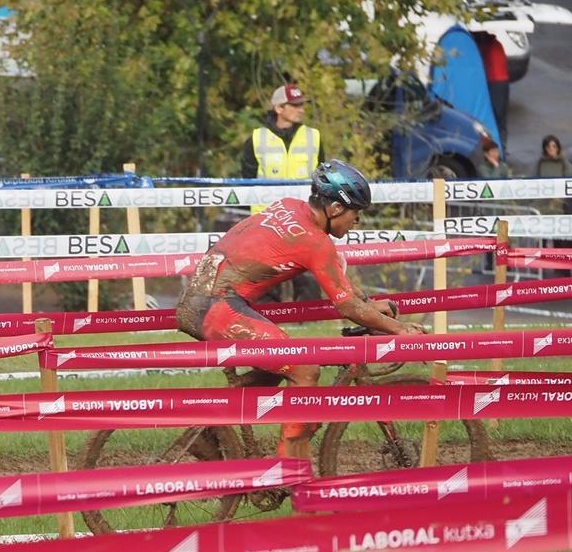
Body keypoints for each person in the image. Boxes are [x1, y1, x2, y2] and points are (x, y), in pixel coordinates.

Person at [176, 160, 421, 457]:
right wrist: (400, 330)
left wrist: (368, 305)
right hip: (216, 307)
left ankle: (208, 429)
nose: (357, 222)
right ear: (335, 209)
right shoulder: (315, 242)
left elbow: (338, 281)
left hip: (207, 299)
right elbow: (347, 306)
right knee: (305, 367)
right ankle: (288, 468)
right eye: (356, 214)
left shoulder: (290, 206)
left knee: (282, 363)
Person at [238, 83, 323, 185]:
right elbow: (247, 183)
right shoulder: (257, 139)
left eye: (301, 105)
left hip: (303, 201)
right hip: (269, 201)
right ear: (279, 108)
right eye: (295, 105)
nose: (301, 110)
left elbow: (322, 178)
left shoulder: (313, 137)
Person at [472, 30, 512, 141]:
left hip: (494, 83)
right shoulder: (497, 44)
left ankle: (496, 147)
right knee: (501, 119)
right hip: (503, 82)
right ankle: (501, 147)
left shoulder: (485, 47)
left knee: (494, 117)